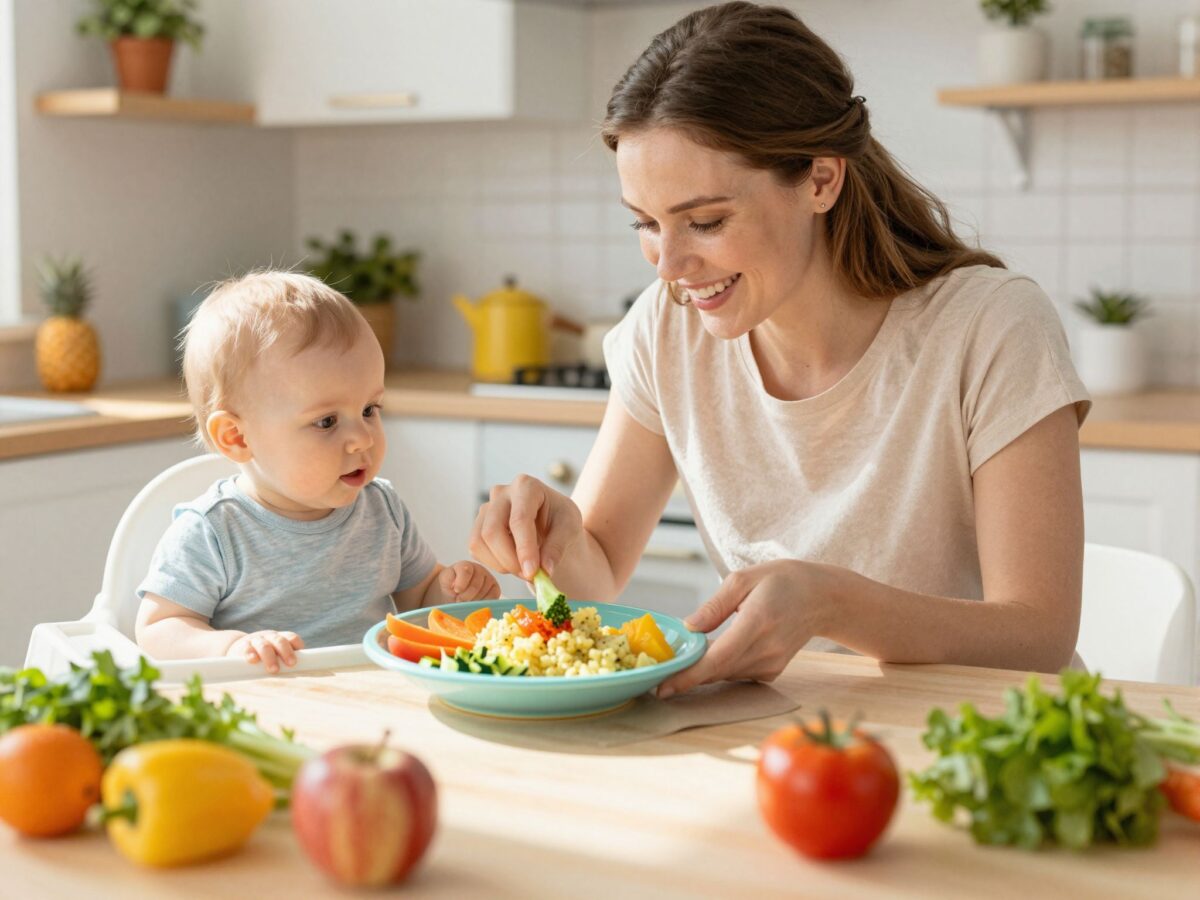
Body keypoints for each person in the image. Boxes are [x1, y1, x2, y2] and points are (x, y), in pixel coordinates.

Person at [469, 1, 1091, 697]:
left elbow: (1038, 634)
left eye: (704, 221)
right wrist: (557, 540)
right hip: (791, 729)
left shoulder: (990, 327)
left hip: (981, 729)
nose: (668, 263)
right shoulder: (665, 329)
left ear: (821, 180)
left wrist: (831, 603)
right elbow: (600, 565)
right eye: (645, 224)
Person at [136, 271, 499, 673]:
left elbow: (419, 601)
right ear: (237, 438)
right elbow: (158, 628)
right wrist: (231, 647)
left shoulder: (383, 510)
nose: (362, 438)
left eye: (369, 410)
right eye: (326, 421)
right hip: (267, 708)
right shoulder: (213, 531)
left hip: (371, 697)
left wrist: (451, 591)